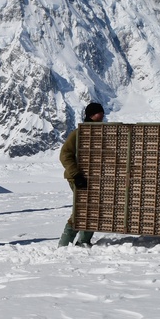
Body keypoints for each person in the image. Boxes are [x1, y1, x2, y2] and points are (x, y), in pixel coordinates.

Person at [58, 102, 105, 247]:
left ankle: (84, 241)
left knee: (94, 207)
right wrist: (76, 174)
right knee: (82, 208)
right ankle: (65, 243)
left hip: (93, 178)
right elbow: (65, 155)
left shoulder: (99, 132)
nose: (102, 117)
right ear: (92, 115)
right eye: (99, 114)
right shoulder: (79, 133)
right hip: (78, 178)